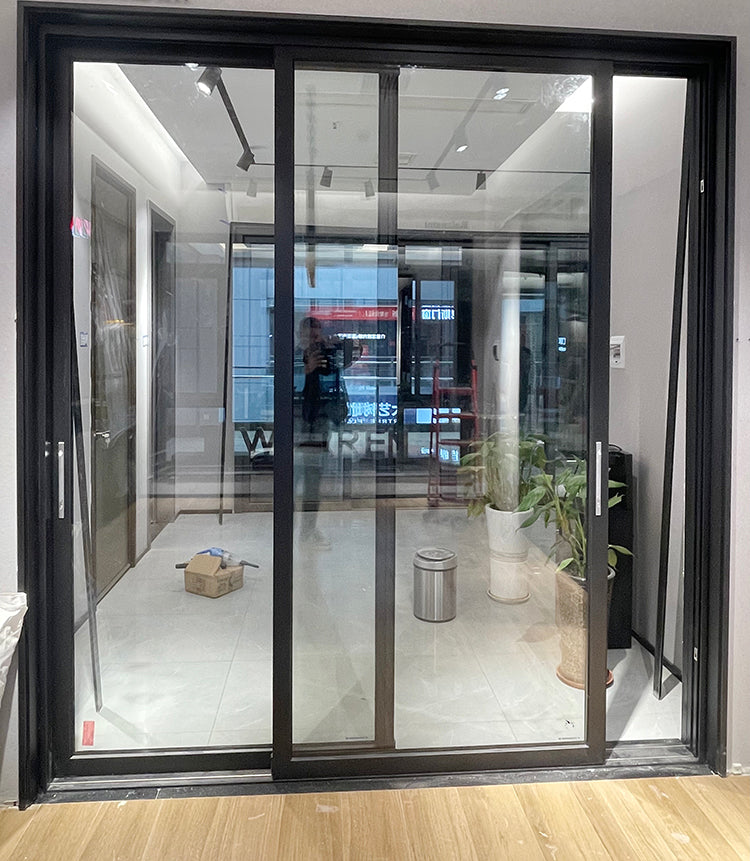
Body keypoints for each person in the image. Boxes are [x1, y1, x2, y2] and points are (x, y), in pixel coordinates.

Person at [294, 316, 359, 550]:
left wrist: (338, 347)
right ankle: (287, 528)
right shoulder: (293, 357)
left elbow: (348, 361)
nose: (314, 340)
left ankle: (308, 530)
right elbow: (281, 383)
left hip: (320, 424)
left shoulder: (325, 354)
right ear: (300, 336)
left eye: (317, 336)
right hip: (296, 423)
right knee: (292, 479)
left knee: (313, 480)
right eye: (310, 336)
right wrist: (306, 369)